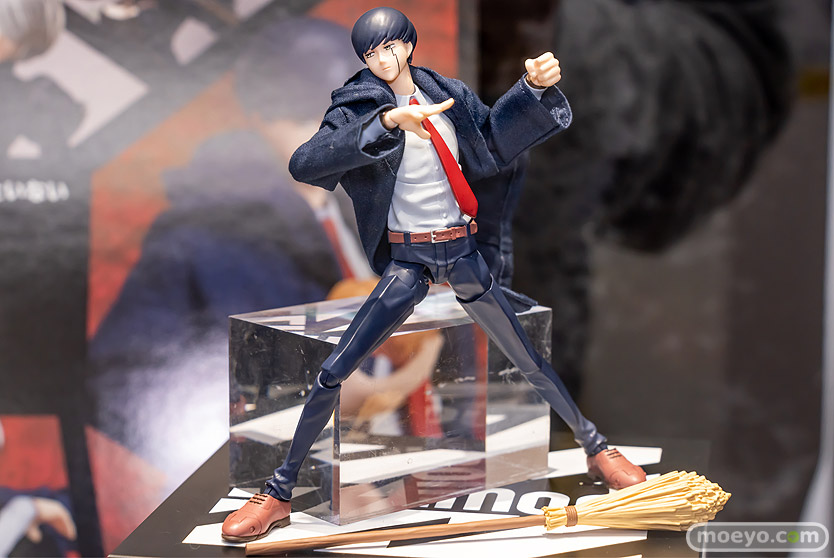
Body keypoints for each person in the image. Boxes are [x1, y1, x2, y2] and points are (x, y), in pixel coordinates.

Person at [221, 6, 646, 542]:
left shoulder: (447, 94)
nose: (383, 59)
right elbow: (306, 162)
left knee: (528, 359)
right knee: (333, 371)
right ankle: (279, 491)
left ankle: (597, 449)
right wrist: (384, 124)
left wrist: (532, 90)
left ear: (408, 44)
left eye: (390, 47)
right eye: (371, 53)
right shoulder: (357, 106)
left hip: (462, 252)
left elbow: (491, 143)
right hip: (410, 260)